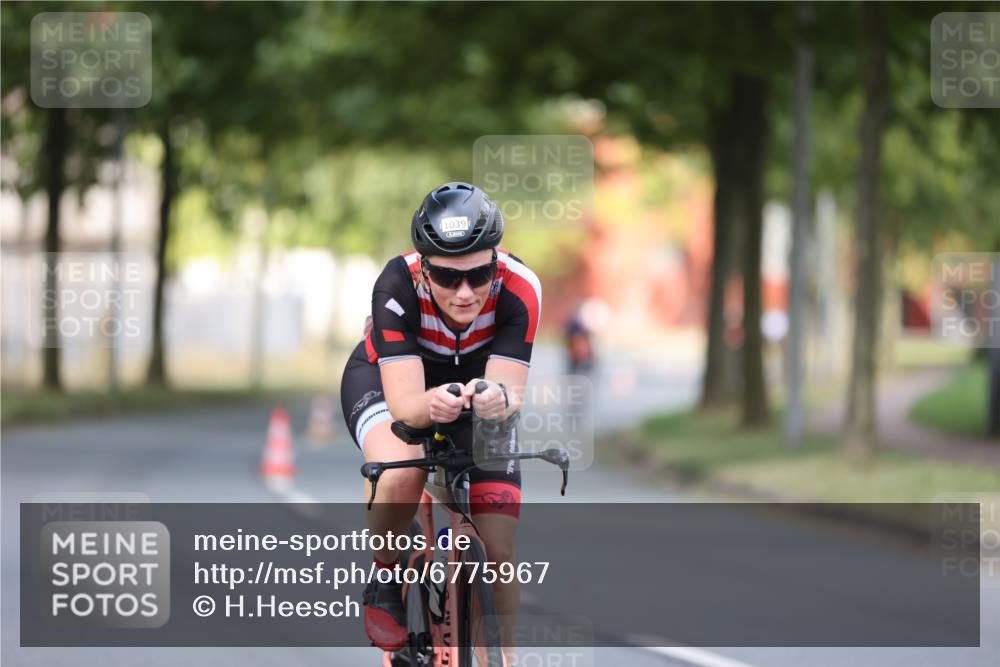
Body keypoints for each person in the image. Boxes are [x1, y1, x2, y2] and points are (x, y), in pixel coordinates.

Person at [339, 182, 542, 655]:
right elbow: (407, 406)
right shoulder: (396, 285)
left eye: (479, 274)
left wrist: (495, 399)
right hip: (390, 380)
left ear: (496, 261)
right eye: (448, 278)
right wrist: (432, 405)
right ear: (424, 268)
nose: (465, 292)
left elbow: (509, 390)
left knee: (499, 547)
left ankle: (502, 660)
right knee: (401, 471)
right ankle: (386, 575)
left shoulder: (521, 287)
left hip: (475, 384)